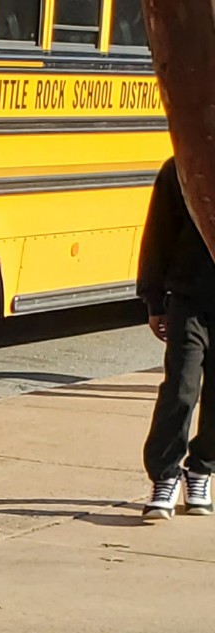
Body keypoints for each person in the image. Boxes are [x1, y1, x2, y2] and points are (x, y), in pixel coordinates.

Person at [137, 155, 215, 520]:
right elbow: (159, 233)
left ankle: (200, 469)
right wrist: (154, 300)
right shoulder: (182, 166)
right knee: (181, 387)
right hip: (189, 298)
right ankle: (165, 476)